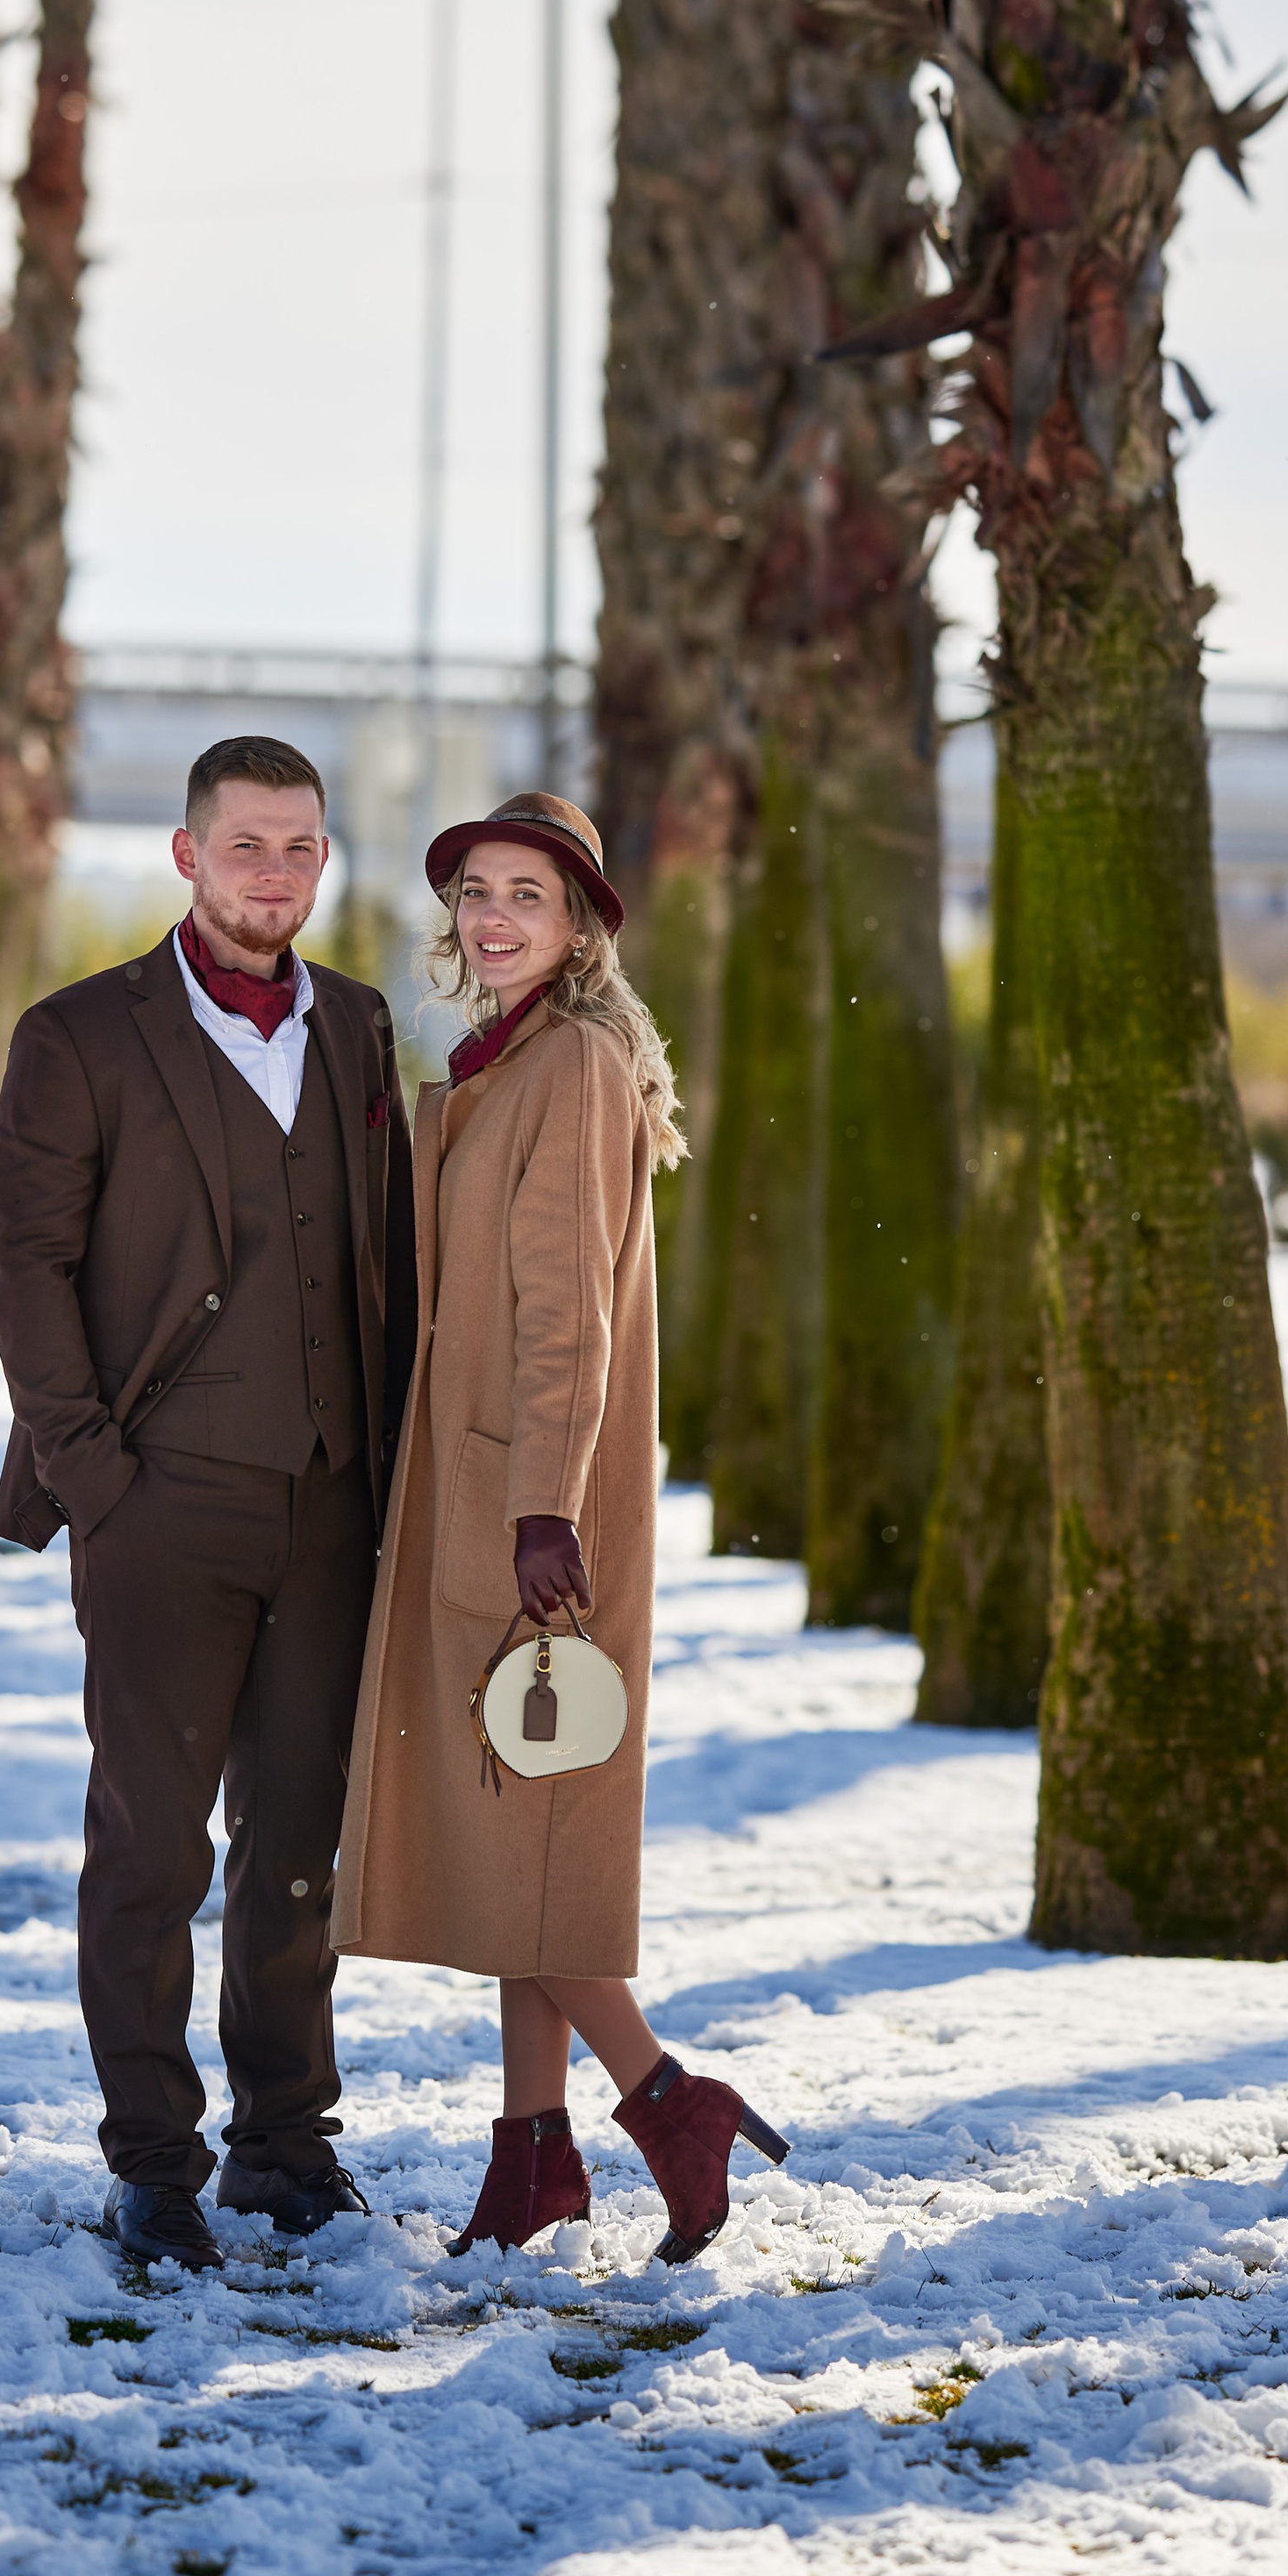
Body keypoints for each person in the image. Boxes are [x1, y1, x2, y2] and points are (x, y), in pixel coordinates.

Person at [332, 792, 788, 2262]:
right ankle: (533, 2155)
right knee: (520, 1824)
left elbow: (569, 1311)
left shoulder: (576, 1064)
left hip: (536, 1501)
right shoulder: (508, 1057)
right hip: (492, 1484)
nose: (494, 916)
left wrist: (541, 1504)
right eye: (477, 890)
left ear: (581, 922)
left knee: (522, 1833)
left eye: (527, 893)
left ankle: (667, 2100)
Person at [0, 735, 415, 2271]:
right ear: (186, 854)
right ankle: (155, 2163)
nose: (274, 875)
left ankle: (285, 2146)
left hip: (331, 1504)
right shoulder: (79, 1034)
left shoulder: (358, 1027)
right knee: (151, 1848)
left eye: (300, 847)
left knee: (298, 1846)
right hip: (158, 1503)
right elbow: (23, 1265)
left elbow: (383, 1258)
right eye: (246, 845)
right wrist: (95, 1474)